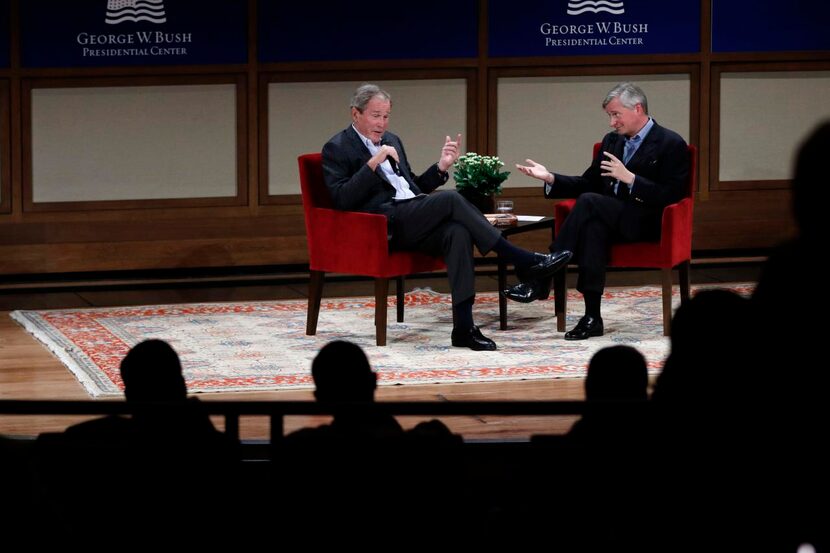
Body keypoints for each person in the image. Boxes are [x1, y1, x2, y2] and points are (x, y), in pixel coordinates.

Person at [322, 83, 571, 351]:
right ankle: (524, 261)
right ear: (355, 114)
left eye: (386, 116)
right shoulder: (337, 148)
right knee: (451, 198)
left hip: (411, 214)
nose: (382, 123)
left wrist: (441, 166)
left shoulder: (392, 140)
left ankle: (463, 327)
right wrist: (374, 162)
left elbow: (413, 188)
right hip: (383, 225)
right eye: (375, 115)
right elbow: (342, 199)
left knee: (458, 232)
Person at [504, 82, 689, 340]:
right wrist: (550, 178)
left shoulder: (671, 143)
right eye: (610, 116)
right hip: (610, 217)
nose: (612, 122)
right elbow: (589, 182)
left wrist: (631, 179)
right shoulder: (612, 142)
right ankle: (592, 317)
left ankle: (542, 276)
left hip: (648, 222)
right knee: (592, 226)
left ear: (637, 108)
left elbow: (673, 195)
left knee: (591, 203)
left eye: (616, 114)